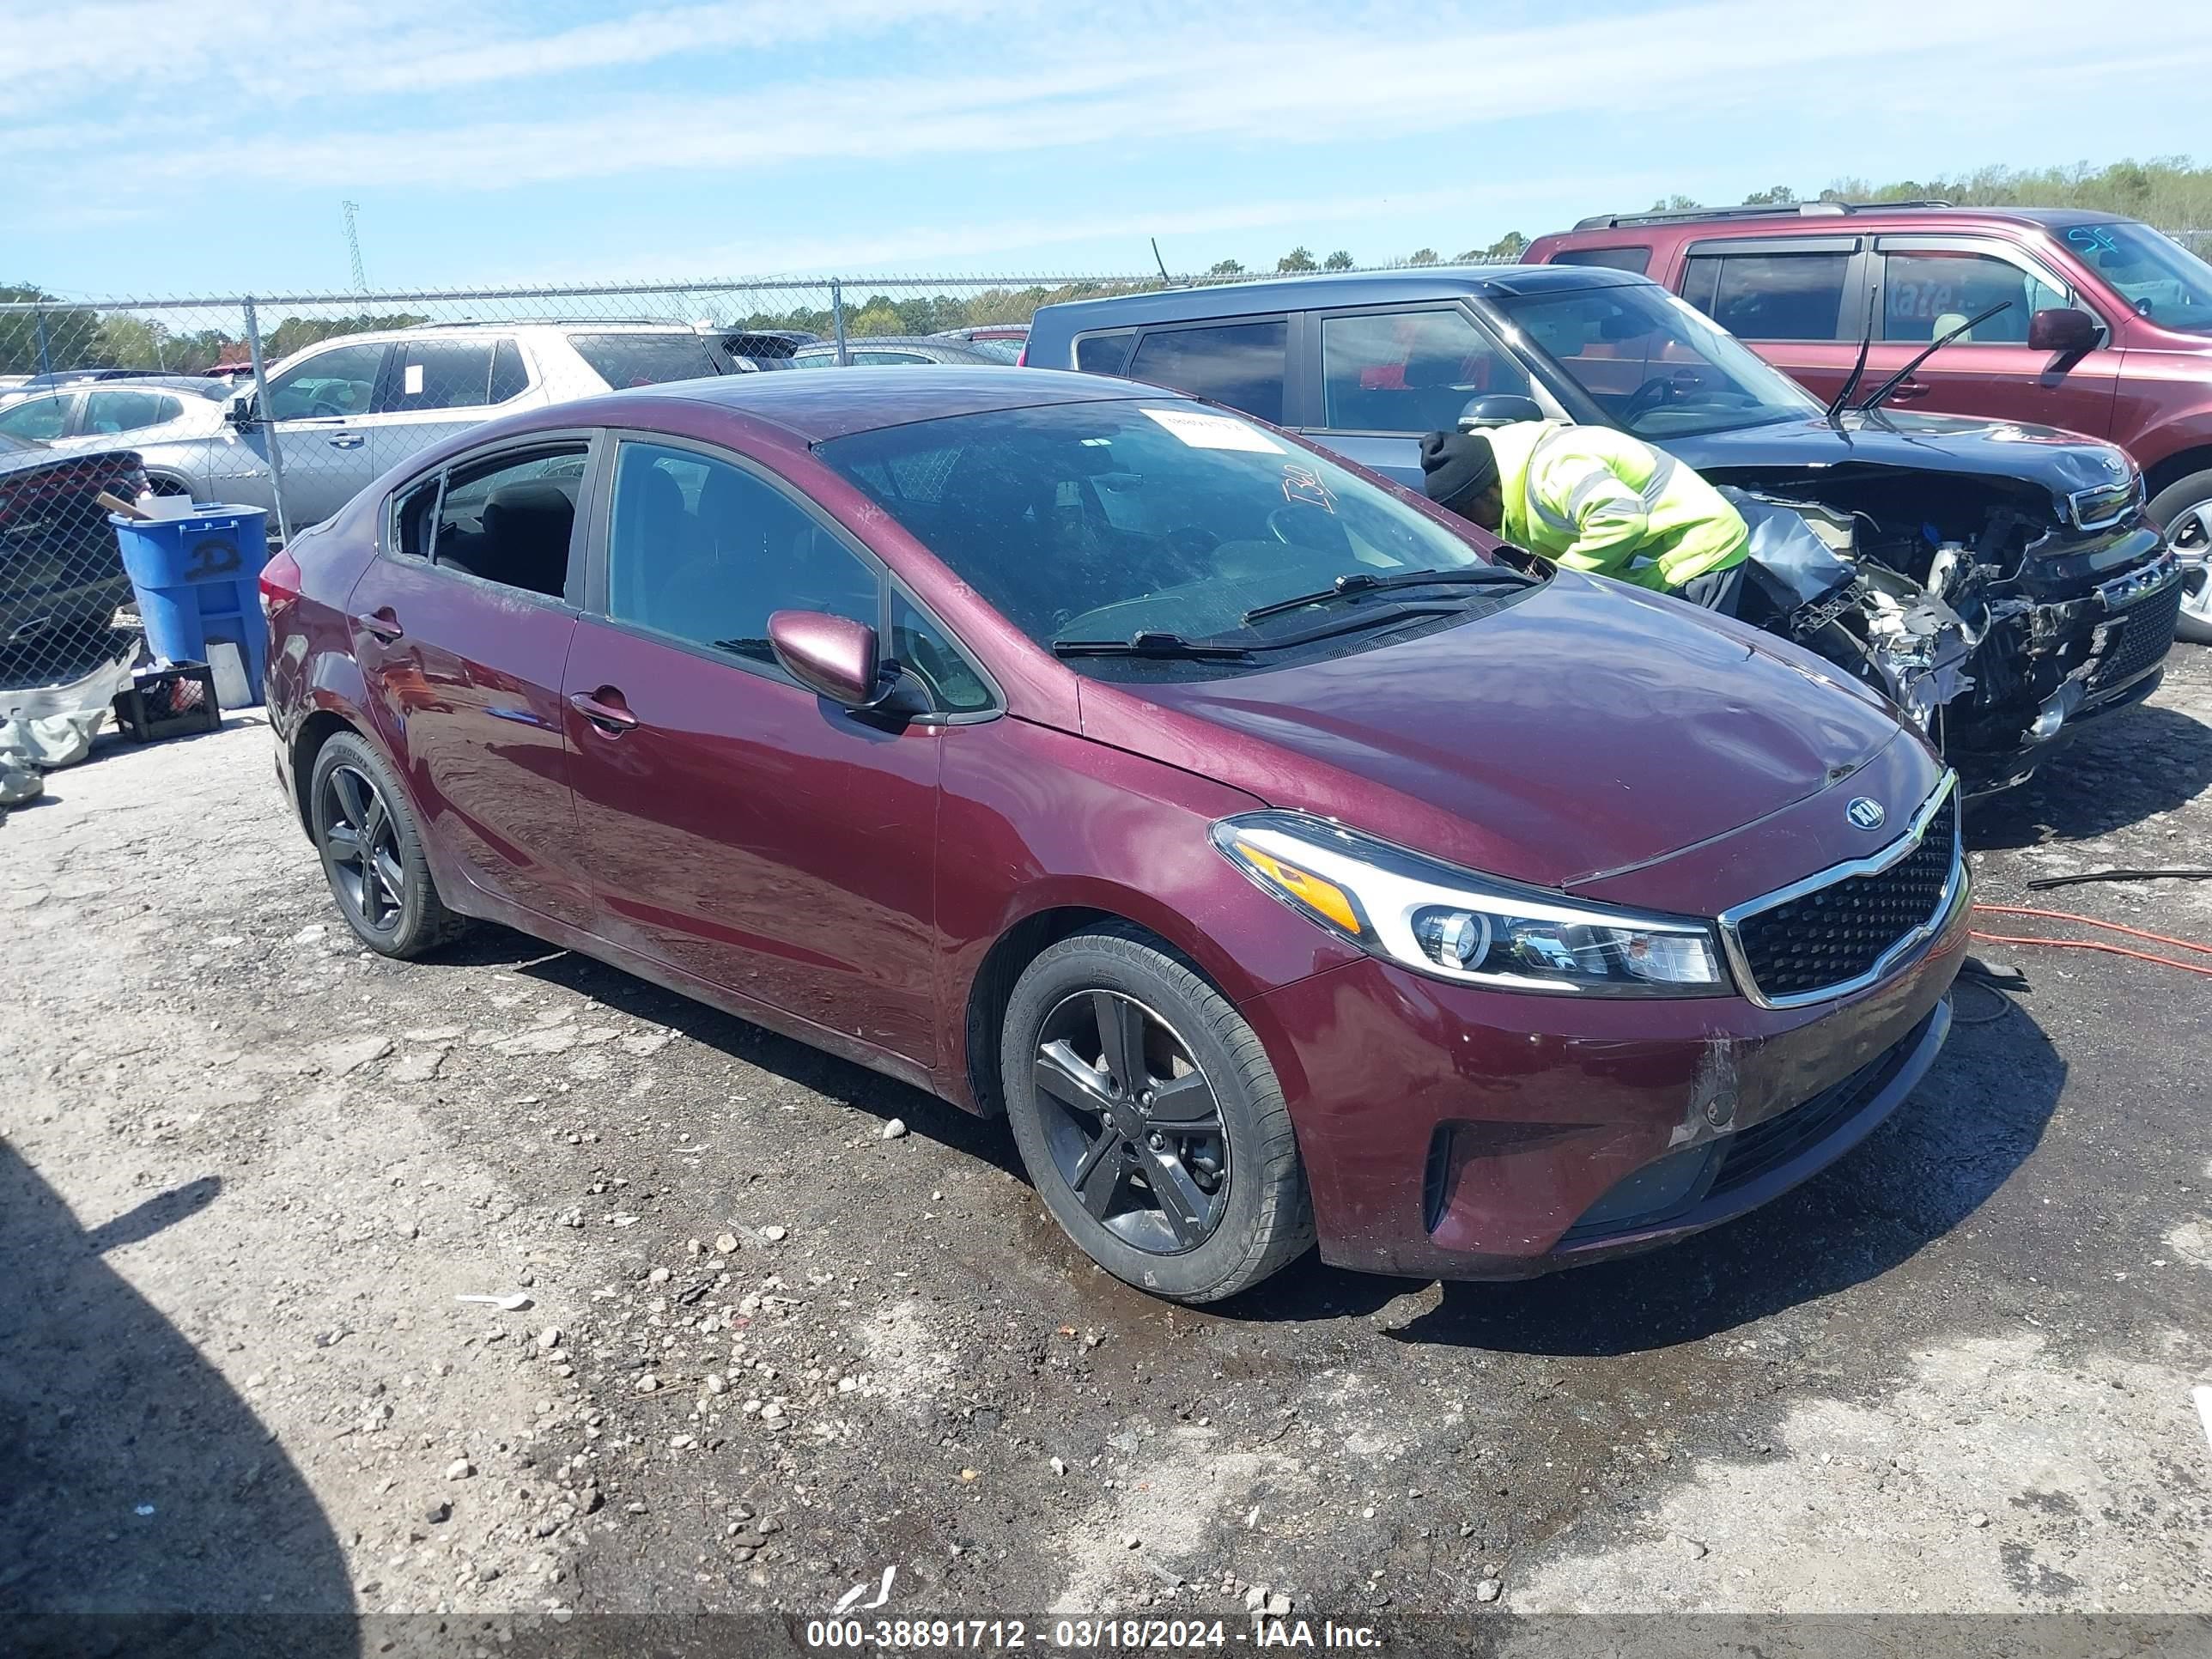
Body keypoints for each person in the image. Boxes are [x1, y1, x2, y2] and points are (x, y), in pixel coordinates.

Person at [1419, 420, 1749, 613]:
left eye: (1466, 512)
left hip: (1698, 554)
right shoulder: (1506, 477)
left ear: (1489, 490)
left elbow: (1620, 519)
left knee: (1690, 667)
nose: (1471, 523)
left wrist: (1561, 580)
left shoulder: (1555, 469)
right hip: (1651, 563)